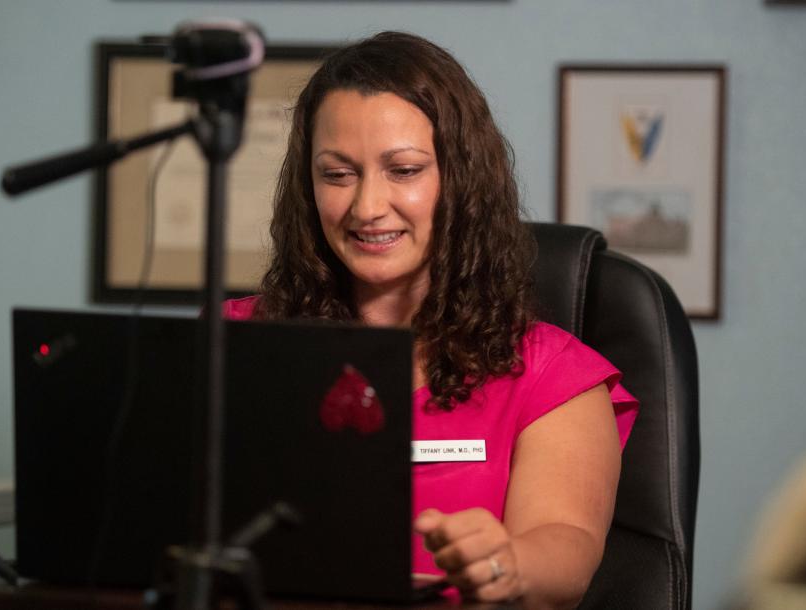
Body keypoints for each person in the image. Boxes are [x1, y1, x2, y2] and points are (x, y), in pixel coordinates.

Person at [223, 31, 638, 607]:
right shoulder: (231, 341)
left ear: (460, 181)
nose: (367, 207)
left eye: (404, 170)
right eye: (338, 174)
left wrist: (505, 563)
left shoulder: (554, 377)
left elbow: (563, 553)